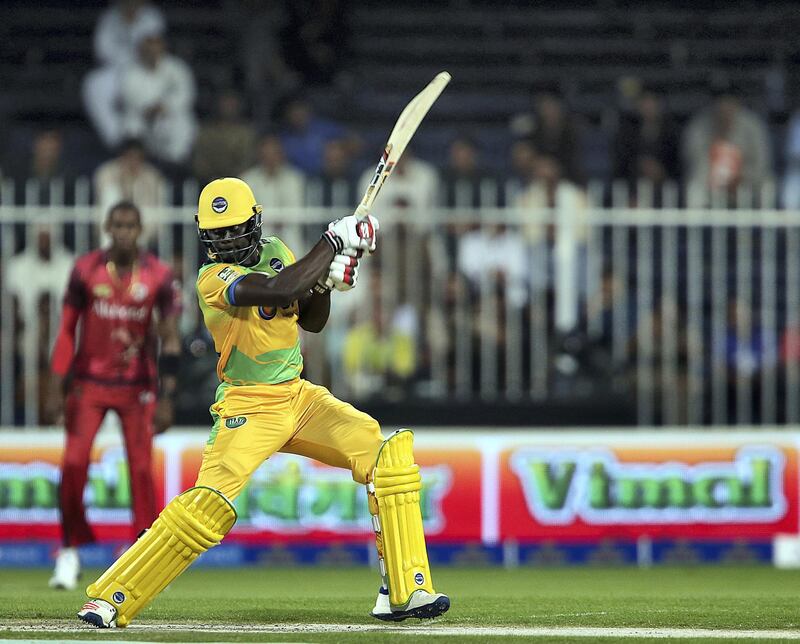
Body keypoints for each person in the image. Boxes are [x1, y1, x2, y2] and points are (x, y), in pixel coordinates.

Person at [76, 177, 449, 628]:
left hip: (298, 395)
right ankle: (111, 597)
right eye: (217, 234)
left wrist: (329, 281)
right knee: (208, 506)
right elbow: (275, 291)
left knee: (384, 455)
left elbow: (310, 319)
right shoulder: (212, 278)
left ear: (255, 222)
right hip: (246, 406)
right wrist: (332, 244)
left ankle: (403, 592)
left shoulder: (278, 250)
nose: (227, 241)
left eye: (234, 230)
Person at [47, 201, 182, 590]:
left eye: (130, 226)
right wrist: (58, 386)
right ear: (108, 227)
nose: (123, 232)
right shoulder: (85, 270)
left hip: (137, 386)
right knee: (73, 464)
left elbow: (170, 338)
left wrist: (167, 395)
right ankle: (69, 553)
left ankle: (143, 554)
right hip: (88, 383)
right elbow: (65, 331)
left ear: (140, 230)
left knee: (141, 470)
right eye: (117, 225)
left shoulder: (158, 275)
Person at [119, 21, 196, 164]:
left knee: (184, 124)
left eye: (155, 46)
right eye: (147, 47)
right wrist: (150, 109)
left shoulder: (177, 68)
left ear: (162, 47)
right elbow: (130, 99)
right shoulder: (131, 72)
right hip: (143, 117)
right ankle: (137, 162)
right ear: (140, 49)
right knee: (130, 125)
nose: (152, 51)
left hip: (169, 116)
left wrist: (166, 107)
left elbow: (186, 95)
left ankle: (178, 165)